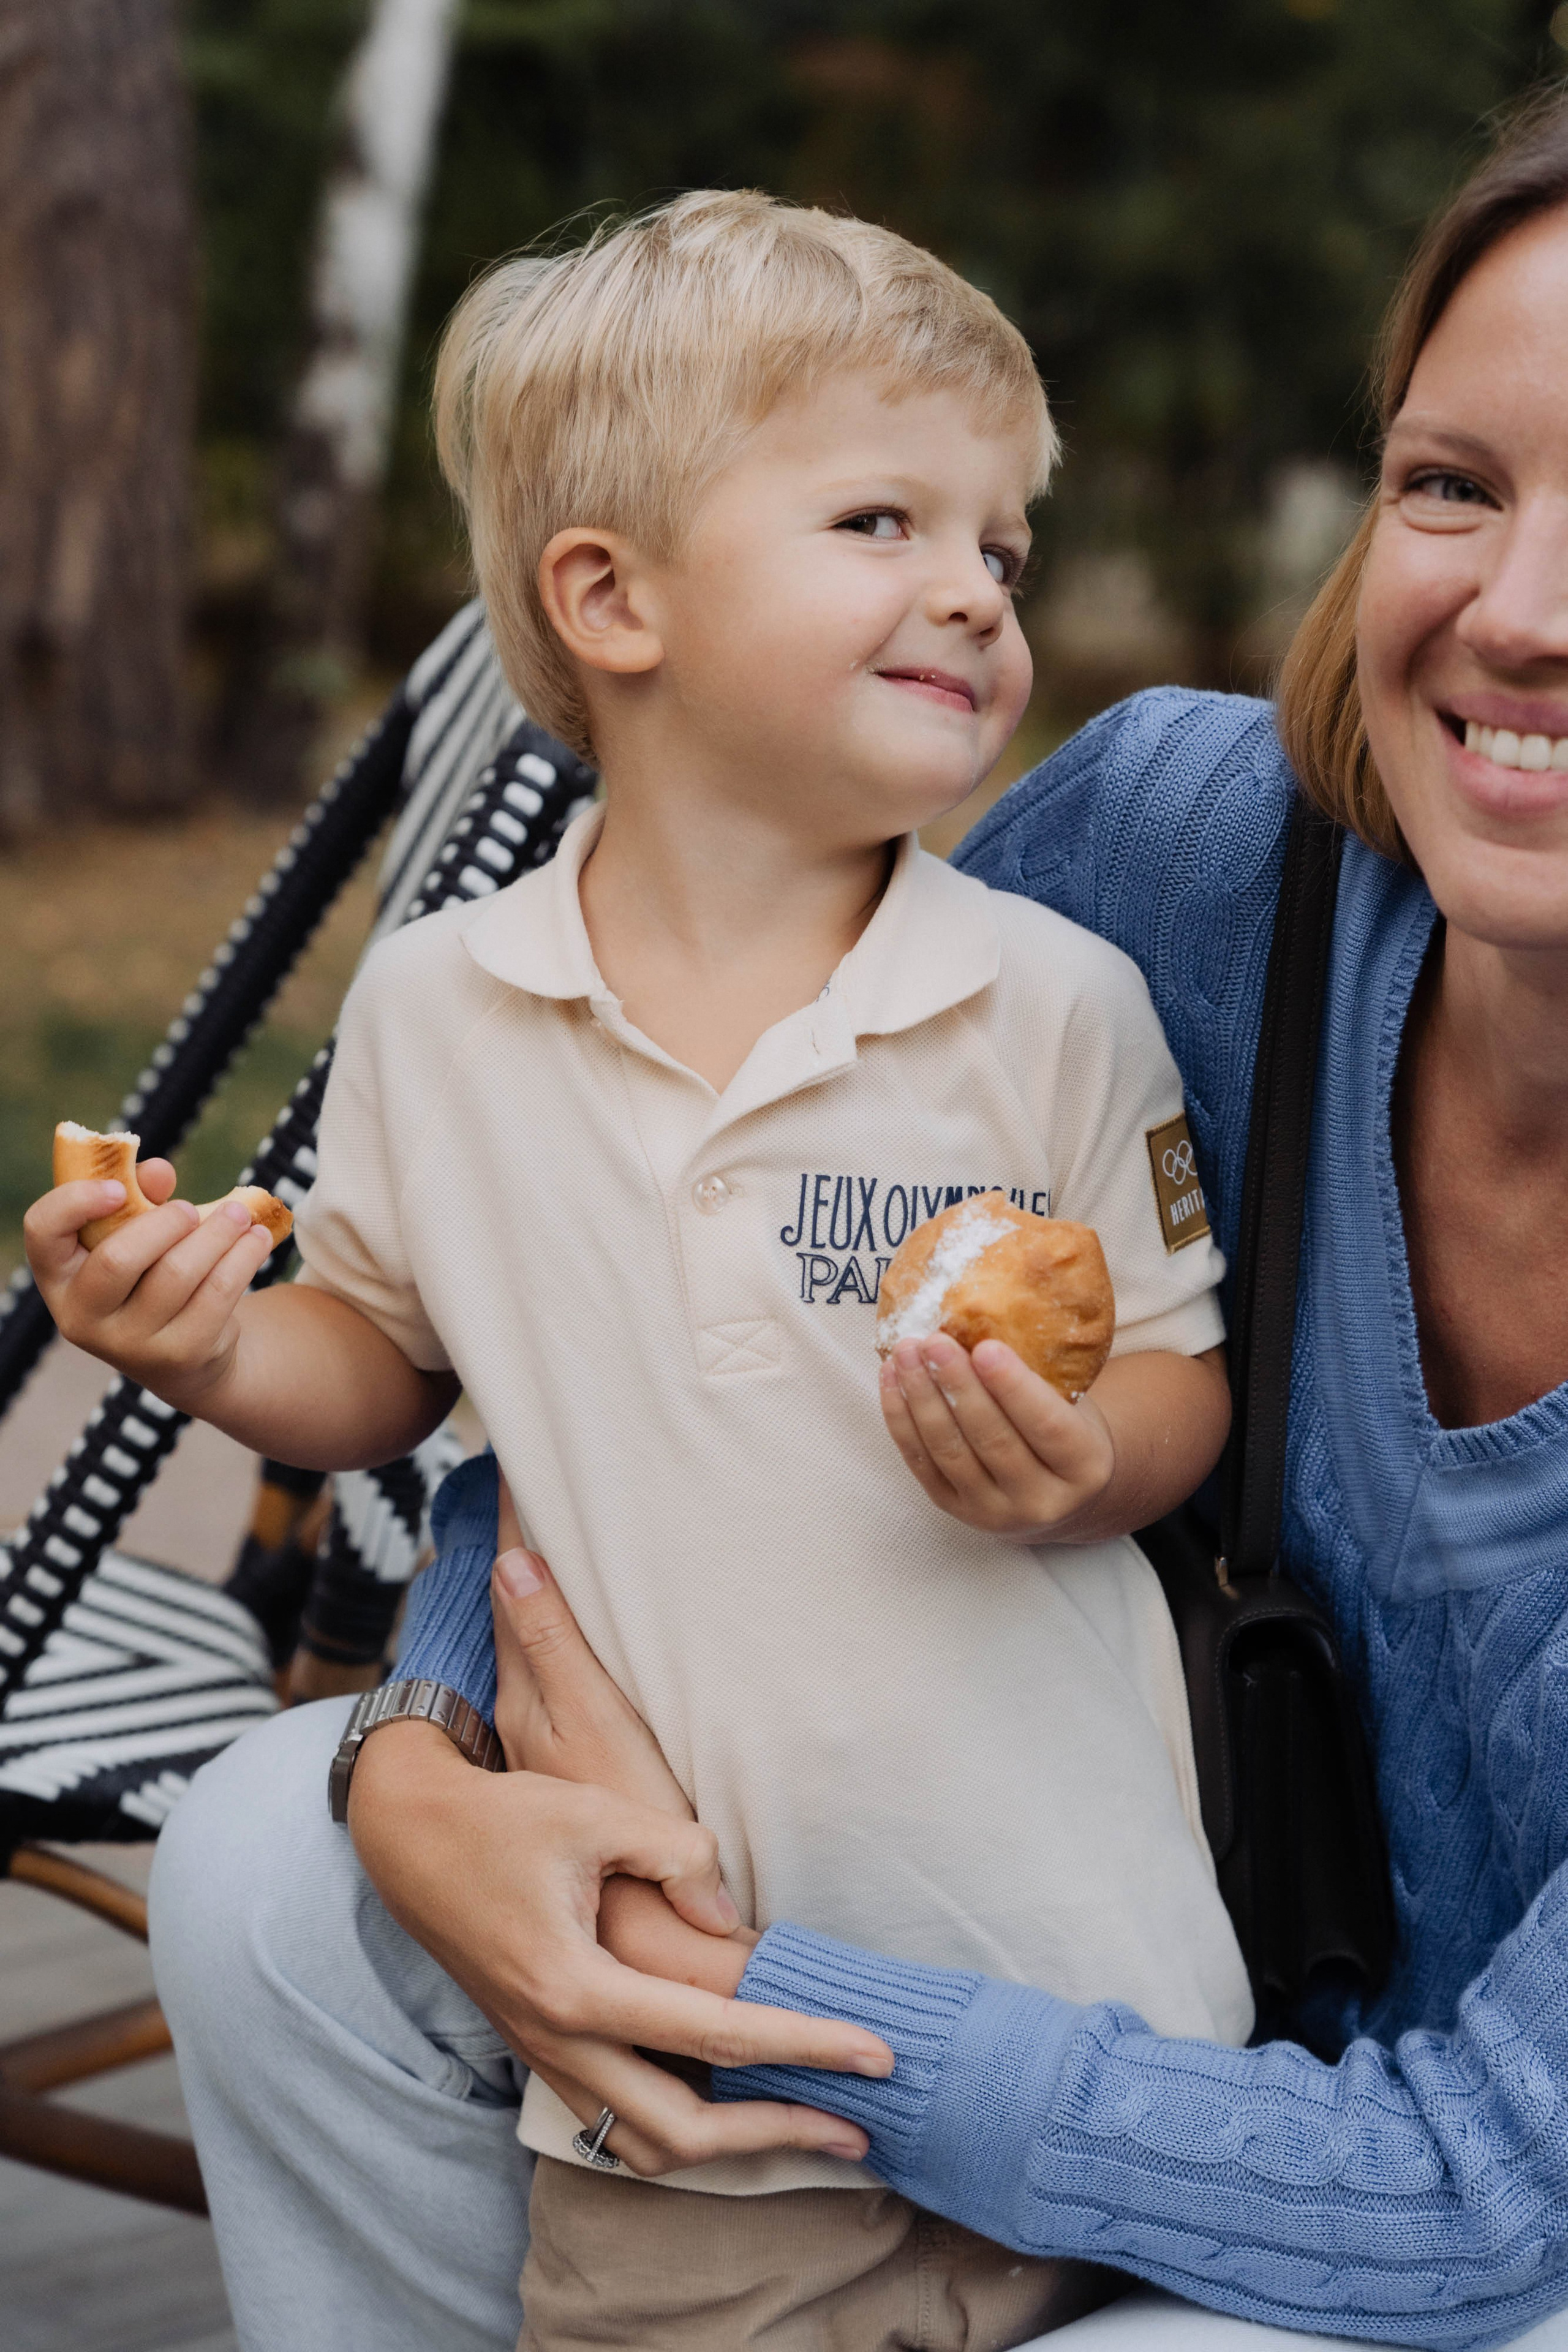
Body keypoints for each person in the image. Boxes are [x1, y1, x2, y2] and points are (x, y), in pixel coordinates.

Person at [137, 89, 1568, 2351]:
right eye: (1455, 484)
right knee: (261, 1857)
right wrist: (434, 1769)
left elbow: (1485, 2197)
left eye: (996, 541)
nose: (1525, 616)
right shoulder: (1181, 860)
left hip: (1426, 2219)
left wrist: (758, 2006)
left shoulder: (1054, 1002)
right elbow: (649, 1317)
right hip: (924, 1979)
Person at [29, 192, 1248, 2350]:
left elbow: (1174, 1376)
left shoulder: (1048, 1003)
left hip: (1083, 1999)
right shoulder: (439, 1012)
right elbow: (385, 1367)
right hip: (690, 2045)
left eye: (1002, 548)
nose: (973, 589)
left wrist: (1080, 1467)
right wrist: (214, 1346)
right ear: (610, 597)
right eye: (885, 519)